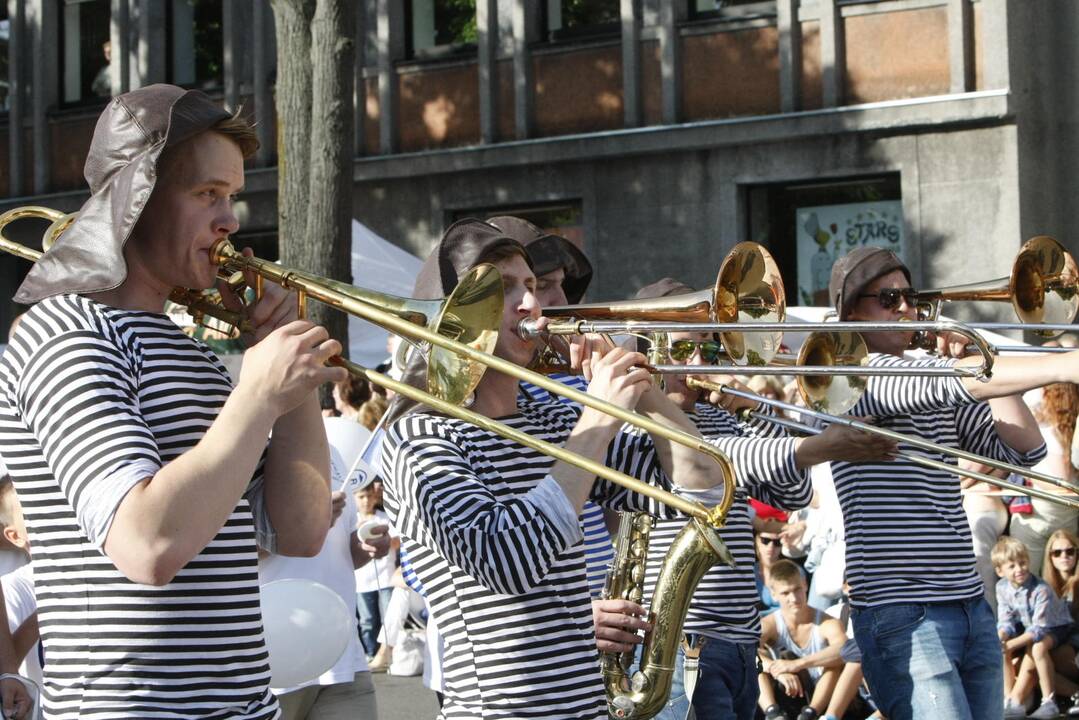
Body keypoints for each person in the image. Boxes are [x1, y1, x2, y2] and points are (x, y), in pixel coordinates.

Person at [0, 84, 345, 719]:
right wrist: (256, 395)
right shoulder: (66, 330)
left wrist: (287, 380)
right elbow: (147, 544)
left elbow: (299, 531)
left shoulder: (189, 351)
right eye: (207, 194)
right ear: (137, 200)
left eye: (232, 196)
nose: (231, 221)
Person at [380, 218, 725, 719]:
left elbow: (701, 483)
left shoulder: (556, 417)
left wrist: (643, 392)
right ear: (452, 316)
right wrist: (599, 418)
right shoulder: (421, 438)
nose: (531, 305)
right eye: (504, 290)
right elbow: (509, 560)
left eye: (530, 286)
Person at [825, 245, 1077, 720]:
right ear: (852, 309)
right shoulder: (847, 374)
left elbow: (1024, 449)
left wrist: (986, 356)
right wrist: (1065, 364)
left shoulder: (937, 376)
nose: (906, 308)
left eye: (910, 296)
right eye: (889, 298)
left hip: (965, 600)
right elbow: (942, 383)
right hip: (901, 607)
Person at [627, 278, 895, 720]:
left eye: (706, 349)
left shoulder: (721, 413)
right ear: (648, 350)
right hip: (678, 640)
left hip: (740, 637)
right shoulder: (638, 419)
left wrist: (755, 409)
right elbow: (712, 464)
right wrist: (815, 445)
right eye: (681, 350)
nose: (697, 362)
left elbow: (795, 492)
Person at [757, 560, 849, 720]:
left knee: (833, 665)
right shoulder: (770, 623)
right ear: (773, 594)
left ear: (805, 585)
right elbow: (745, 652)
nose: (793, 598)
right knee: (756, 665)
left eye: (797, 589)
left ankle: (810, 714)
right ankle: (773, 714)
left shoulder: (828, 622)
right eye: (785, 593)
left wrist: (797, 664)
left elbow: (845, 650)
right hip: (785, 692)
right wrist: (776, 670)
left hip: (821, 696)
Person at [994, 536, 1073, 718]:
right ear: (1000, 571)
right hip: (1031, 628)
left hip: (1055, 627)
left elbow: (1039, 629)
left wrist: (1012, 645)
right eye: (1012, 566)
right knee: (1002, 647)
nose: (1019, 569)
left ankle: (1049, 701)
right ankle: (1010, 699)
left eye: (1022, 563)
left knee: (1037, 648)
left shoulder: (1040, 589)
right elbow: (1006, 620)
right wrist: (1002, 637)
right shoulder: (1002, 587)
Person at [1011, 381, 1079, 572]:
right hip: (1065, 515)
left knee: (1027, 576)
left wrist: (1029, 477)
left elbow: (1062, 481)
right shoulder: (1069, 427)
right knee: (1063, 578)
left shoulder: (1047, 432)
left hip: (1038, 514)